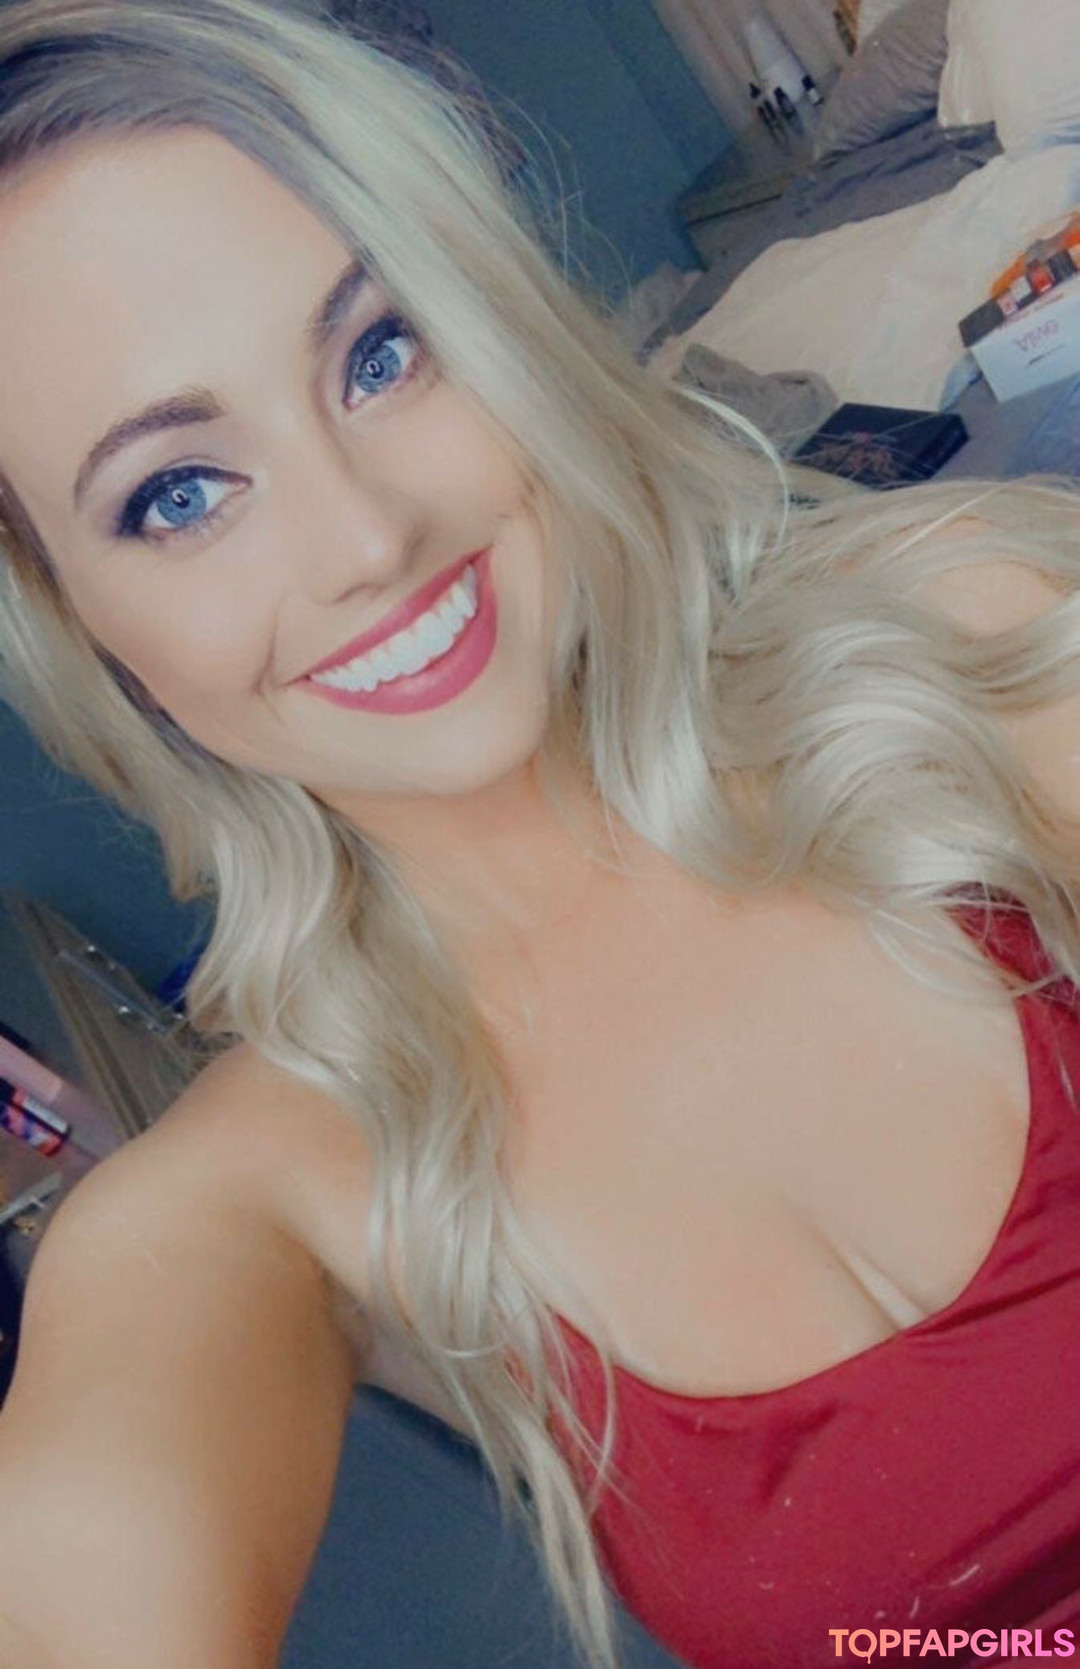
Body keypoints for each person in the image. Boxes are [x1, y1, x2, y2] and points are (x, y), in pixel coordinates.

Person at [0, 2, 1079, 1666]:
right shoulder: (253, 1198)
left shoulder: (971, 652)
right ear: (85, 626)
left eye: (379, 354)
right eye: (179, 494)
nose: (367, 537)